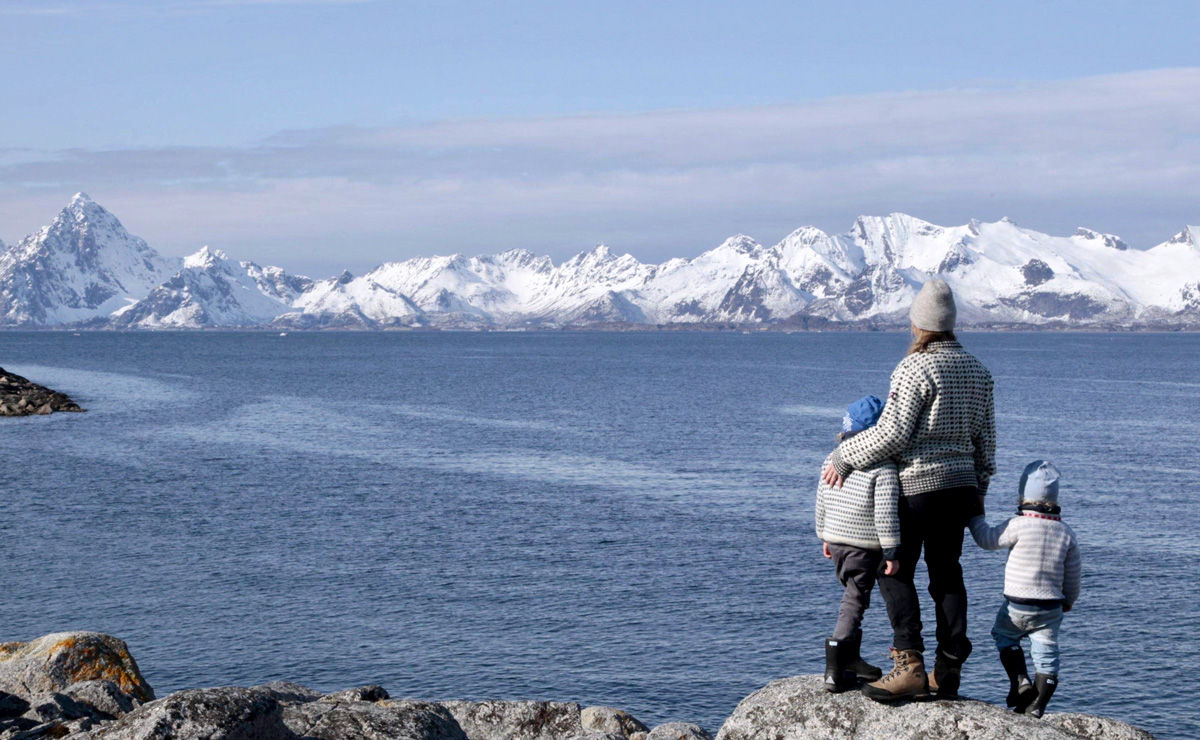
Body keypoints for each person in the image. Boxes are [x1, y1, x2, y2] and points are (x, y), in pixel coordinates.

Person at [821, 278, 996, 702]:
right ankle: (948, 668)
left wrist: (844, 456)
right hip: (960, 487)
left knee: (893, 571)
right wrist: (980, 488)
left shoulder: (915, 367)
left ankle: (909, 664)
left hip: (918, 486)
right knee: (947, 574)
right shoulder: (979, 371)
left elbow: (893, 434)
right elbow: (985, 441)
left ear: (918, 324)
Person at [968, 460, 1080, 718]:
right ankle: (1037, 707)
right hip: (1051, 606)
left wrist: (975, 518)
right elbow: (1073, 575)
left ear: (1023, 496)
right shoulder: (1066, 532)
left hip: (1017, 604)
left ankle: (1020, 679)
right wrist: (1069, 600)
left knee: (1004, 635)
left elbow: (987, 539)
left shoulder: (1018, 524)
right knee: (1047, 653)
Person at [814, 394, 901, 692]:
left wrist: (824, 535)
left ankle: (851, 659)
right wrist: (891, 551)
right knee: (855, 600)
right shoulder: (883, 467)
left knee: (853, 595)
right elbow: (886, 513)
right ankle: (836, 668)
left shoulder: (832, 459)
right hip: (862, 544)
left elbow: (821, 500)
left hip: (836, 540)